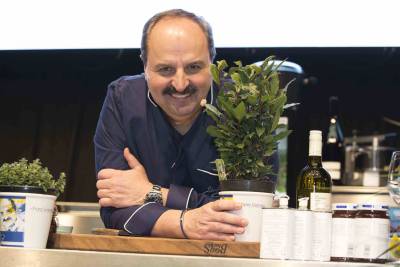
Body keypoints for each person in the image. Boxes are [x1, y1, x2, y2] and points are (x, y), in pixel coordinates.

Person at [94, 9, 249, 241]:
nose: (180, 84)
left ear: (212, 62)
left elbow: (246, 211)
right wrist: (185, 223)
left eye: (193, 67)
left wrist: (151, 193)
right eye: (165, 69)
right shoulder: (122, 100)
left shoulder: (242, 106)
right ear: (145, 66)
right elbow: (114, 206)